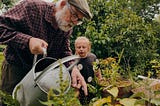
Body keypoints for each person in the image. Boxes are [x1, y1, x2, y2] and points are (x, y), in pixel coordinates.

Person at [0, 0, 92, 103]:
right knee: (10, 102)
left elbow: (63, 51)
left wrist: (72, 68)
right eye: (74, 15)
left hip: (42, 76)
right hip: (15, 70)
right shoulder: (32, 8)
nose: (75, 22)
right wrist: (28, 41)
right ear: (63, 4)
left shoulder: (66, 26)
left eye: (79, 20)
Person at [74, 36, 97, 105]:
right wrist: (76, 90)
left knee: (94, 101)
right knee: (84, 102)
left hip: (93, 85)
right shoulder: (74, 61)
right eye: (79, 47)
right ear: (75, 48)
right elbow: (74, 77)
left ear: (88, 48)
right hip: (81, 87)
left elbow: (97, 70)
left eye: (84, 47)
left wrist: (100, 79)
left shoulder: (93, 57)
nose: (81, 49)